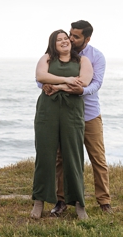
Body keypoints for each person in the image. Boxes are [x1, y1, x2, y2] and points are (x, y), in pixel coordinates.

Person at [42, 20, 112, 215]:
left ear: (87, 39)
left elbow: (96, 83)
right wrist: (44, 86)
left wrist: (81, 90)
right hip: (63, 114)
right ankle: (61, 200)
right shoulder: (58, 53)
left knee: (97, 157)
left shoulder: (96, 56)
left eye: (76, 36)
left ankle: (104, 201)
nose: (71, 39)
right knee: (61, 158)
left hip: (89, 114)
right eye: (70, 34)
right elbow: (43, 76)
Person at [31, 29, 93, 220]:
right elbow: (41, 76)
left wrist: (56, 86)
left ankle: (79, 204)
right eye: (59, 40)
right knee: (45, 155)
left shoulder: (82, 61)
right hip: (47, 110)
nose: (64, 41)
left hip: (72, 111)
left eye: (66, 38)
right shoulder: (47, 58)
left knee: (73, 156)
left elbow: (82, 83)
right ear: (53, 44)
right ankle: (39, 201)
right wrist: (66, 79)